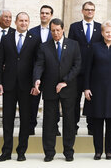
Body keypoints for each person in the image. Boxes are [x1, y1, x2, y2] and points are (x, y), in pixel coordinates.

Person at [32, 18, 81, 162]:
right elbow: (39, 65)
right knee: (49, 122)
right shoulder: (44, 46)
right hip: (49, 89)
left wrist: (65, 81)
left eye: (58, 30)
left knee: (69, 121)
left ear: (63, 29)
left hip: (69, 89)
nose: (55, 33)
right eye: (52, 30)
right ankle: (49, 152)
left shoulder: (73, 45)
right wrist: (37, 78)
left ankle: (68, 151)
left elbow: (77, 65)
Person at [0, 12, 41, 162]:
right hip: (8, 85)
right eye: (21, 20)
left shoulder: (35, 39)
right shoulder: (6, 38)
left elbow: (38, 63)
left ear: (29, 22)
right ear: (15, 22)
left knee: (25, 120)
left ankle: (21, 151)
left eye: (26, 21)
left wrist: (36, 82)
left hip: (27, 86)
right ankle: (6, 151)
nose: (23, 23)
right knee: (7, 119)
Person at [84, 20, 111, 160]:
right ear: (102, 33)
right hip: (96, 90)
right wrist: (86, 88)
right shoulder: (94, 47)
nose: (109, 34)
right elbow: (87, 69)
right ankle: (98, 151)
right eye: (107, 31)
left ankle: (109, 151)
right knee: (97, 122)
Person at [68, 1, 102, 128]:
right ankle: (73, 126)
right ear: (82, 11)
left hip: (93, 70)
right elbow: (70, 47)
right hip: (77, 70)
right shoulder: (74, 27)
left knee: (91, 99)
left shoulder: (100, 27)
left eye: (92, 9)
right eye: (87, 9)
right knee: (74, 99)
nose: (90, 12)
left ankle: (91, 126)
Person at [28, 5, 54, 134]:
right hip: (35, 72)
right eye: (42, 13)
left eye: (47, 13)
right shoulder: (31, 32)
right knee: (33, 102)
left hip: (51, 73)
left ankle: (53, 127)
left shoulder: (56, 31)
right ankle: (31, 126)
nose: (44, 15)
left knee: (52, 102)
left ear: (51, 16)